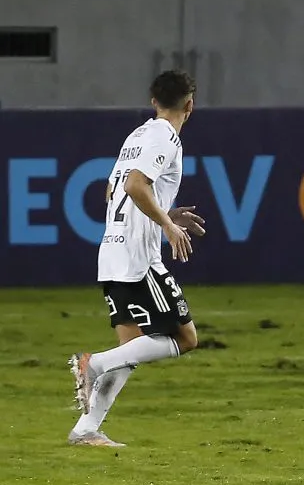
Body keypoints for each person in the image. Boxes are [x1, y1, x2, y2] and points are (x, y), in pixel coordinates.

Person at [67, 70, 206, 447]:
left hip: (112, 250)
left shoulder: (137, 136)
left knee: (130, 349)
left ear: (153, 101)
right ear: (190, 105)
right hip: (138, 258)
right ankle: (93, 364)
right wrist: (167, 225)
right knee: (186, 338)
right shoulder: (166, 136)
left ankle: (85, 430)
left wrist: (164, 214)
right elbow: (134, 185)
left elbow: (113, 190)